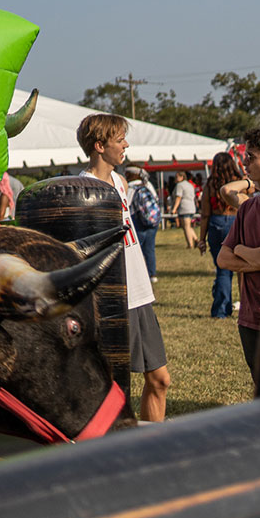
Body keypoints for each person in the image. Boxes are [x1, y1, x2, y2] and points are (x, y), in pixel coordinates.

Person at [77, 114, 170, 422]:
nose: (126, 145)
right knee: (114, 392)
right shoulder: (82, 190)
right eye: (119, 140)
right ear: (100, 146)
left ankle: (149, 449)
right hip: (110, 301)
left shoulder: (121, 182)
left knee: (160, 380)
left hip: (140, 293)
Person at [217, 127, 260, 385]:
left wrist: (239, 250)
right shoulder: (248, 206)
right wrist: (251, 256)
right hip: (250, 319)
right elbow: (223, 259)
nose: (244, 161)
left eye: (251, 156)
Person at [198, 152, 245, 318]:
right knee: (242, 269)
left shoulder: (210, 185)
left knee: (223, 269)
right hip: (235, 222)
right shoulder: (240, 183)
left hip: (216, 224)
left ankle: (221, 310)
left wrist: (201, 239)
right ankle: (245, 307)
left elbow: (205, 214)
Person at [124, 166, 159, 285]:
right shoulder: (147, 185)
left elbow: (126, 204)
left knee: (135, 250)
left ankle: (136, 275)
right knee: (150, 249)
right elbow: (156, 199)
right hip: (152, 222)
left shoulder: (130, 187)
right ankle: (152, 274)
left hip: (137, 222)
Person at [171, 170, 199, 249]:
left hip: (184, 207)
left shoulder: (180, 185)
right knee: (188, 226)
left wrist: (174, 209)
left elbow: (178, 197)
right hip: (191, 207)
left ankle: (190, 245)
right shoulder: (190, 184)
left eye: (177, 177)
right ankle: (196, 240)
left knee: (186, 227)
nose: (175, 179)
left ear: (182, 177)